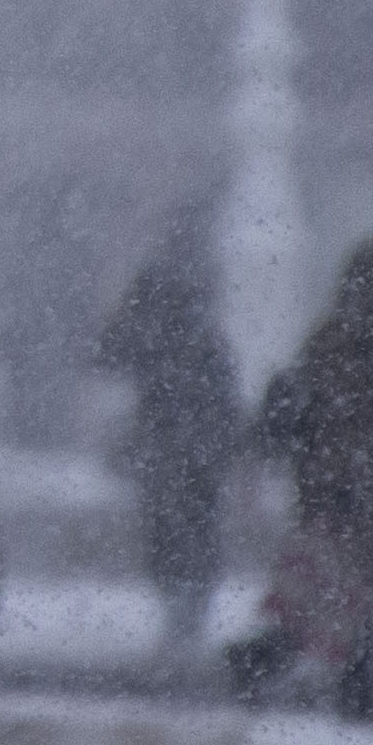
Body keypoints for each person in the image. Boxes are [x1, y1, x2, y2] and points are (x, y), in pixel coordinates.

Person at [230, 235, 373, 719]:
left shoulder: (365, 342)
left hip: (355, 492)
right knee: (344, 598)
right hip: (347, 495)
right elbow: (342, 426)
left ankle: (271, 664)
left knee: (335, 599)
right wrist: (349, 488)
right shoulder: (351, 345)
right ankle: (353, 692)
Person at [95, 227, 243, 660]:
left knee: (170, 529)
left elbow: (107, 353)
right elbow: (222, 390)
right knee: (192, 528)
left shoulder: (152, 323)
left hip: (167, 445)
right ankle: (187, 615)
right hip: (192, 447)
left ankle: (182, 616)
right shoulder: (197, 329)